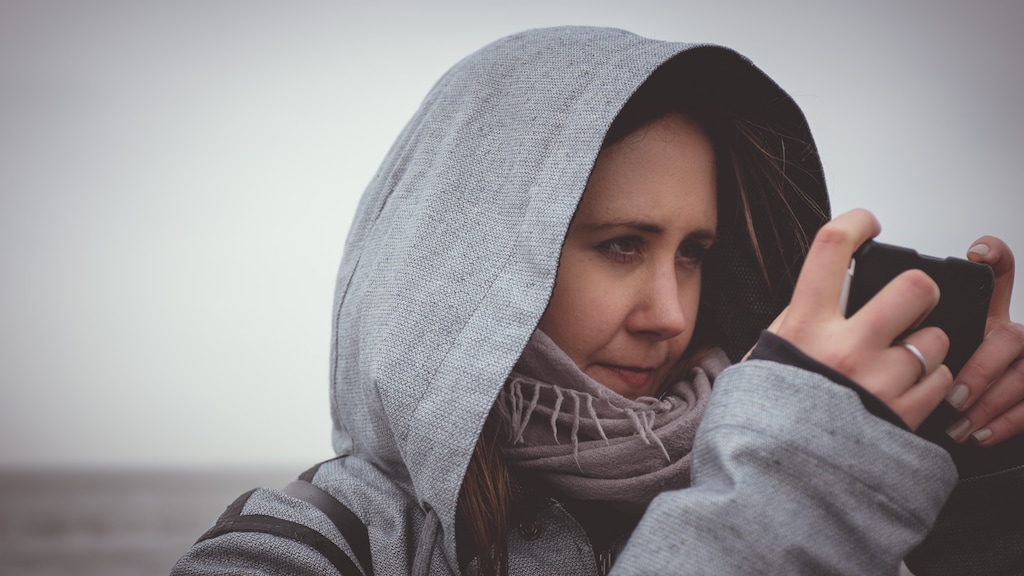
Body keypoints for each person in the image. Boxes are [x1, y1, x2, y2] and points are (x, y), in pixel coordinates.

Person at [171, 26, 1024, 575]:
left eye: (695, 255)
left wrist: (972, 491)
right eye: (622, 245)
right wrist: (784, 506)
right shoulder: (318, 542)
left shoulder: (835, 482)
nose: (671, 315)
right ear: (478, 263)